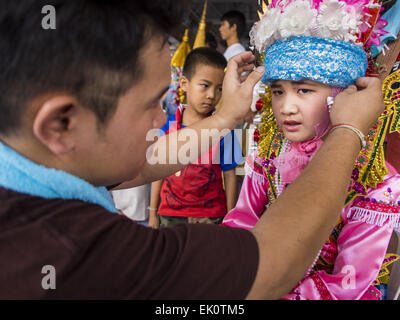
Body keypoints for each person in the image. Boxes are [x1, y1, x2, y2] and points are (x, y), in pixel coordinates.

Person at [0, 0, 384, 299]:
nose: (164, 117)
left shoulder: (36, 159)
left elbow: (145, 162)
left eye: (304, 89)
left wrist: (224, 118)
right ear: (61, 124)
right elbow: (267, 264)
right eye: (154, 102)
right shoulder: (71, 250)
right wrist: (349, 131)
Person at [222, 0, 400, 300]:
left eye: (304, 90)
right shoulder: (269, 153)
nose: (286, 107)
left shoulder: (375, 181)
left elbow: (348, 282)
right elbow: (241, 221)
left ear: (341, 94)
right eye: (278, 90)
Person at [148, 47, 243, 229]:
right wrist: (152, 213)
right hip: (169, 215)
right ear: (184, 83)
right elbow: (156, 172)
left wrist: (230, 219)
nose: (212, 95)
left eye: (219, 88)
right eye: (205, 85)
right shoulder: (167, 128)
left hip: (211, 216)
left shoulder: (224, 130)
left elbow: (230, 176)